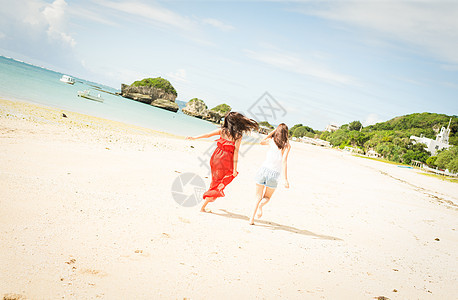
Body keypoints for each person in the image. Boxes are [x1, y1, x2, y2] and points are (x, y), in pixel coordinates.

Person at [186, 112, 259, 212]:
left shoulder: (222, 131)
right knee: (218, 183)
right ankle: (203, 206)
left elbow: (207, 135)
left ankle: (208, 201)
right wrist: (235, 169)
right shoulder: (238, 135)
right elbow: (236, 153)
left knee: (216, 181)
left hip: (215, 157)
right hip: (225, 160)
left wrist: (194, 137)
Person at [249, 123, 291, 225]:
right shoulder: (287, 145)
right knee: (267, 197)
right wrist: (285, 179)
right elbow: (284, 161)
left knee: (257, 197)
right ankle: (260, 207)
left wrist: (273, 131)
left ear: (277, 132)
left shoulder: (271, 141)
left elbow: (261, 142)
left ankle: (251, 219)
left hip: (263, 170)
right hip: (274, 174)